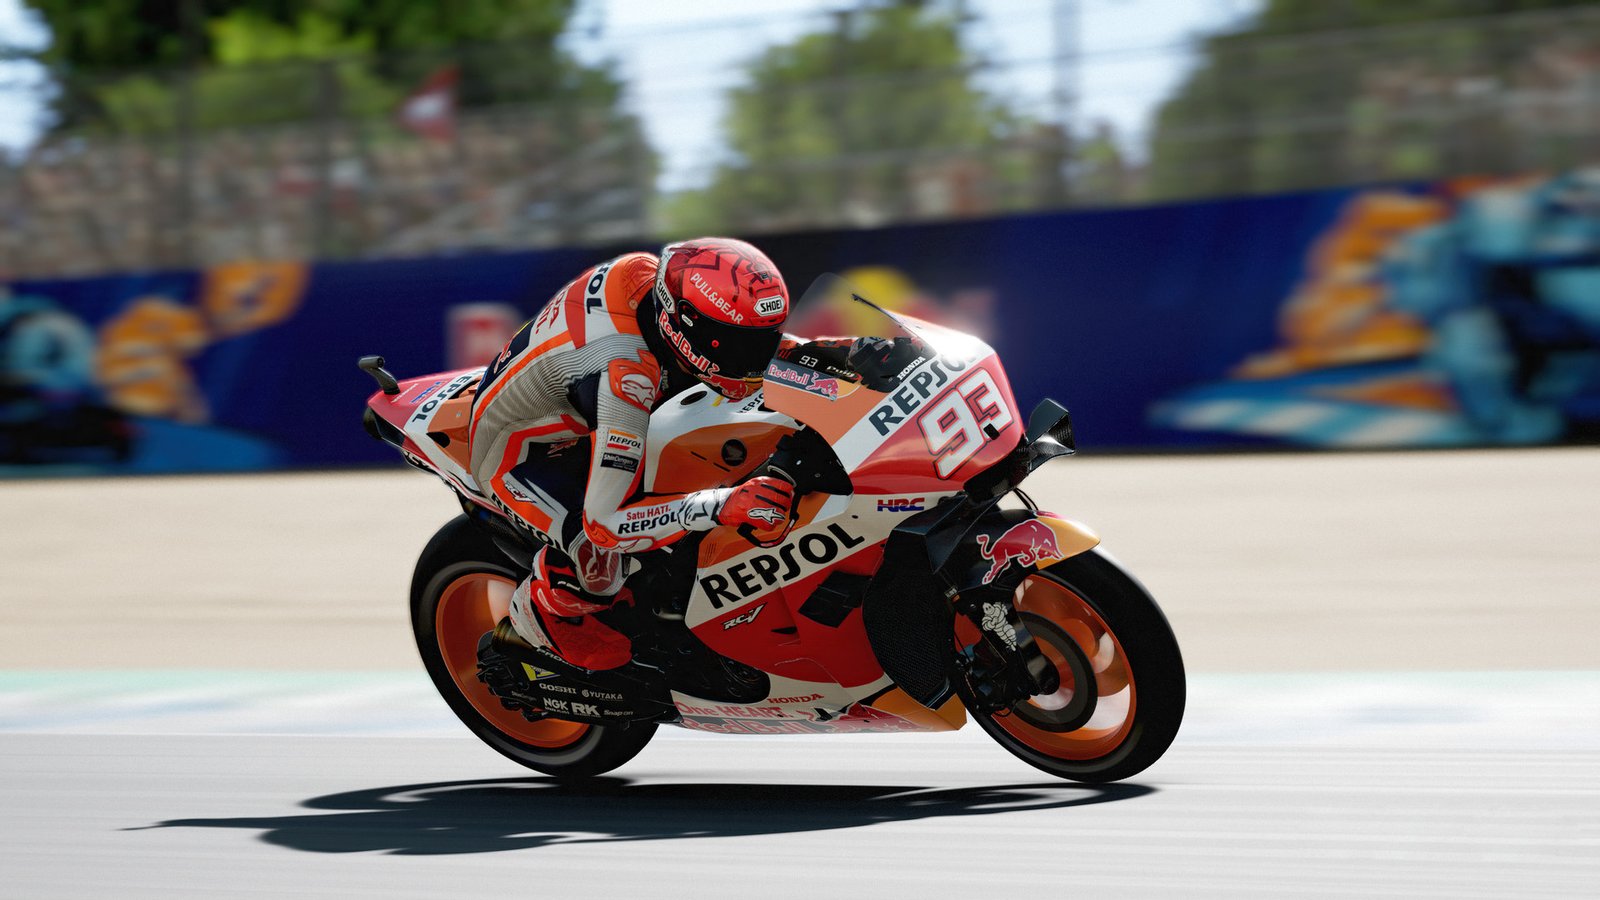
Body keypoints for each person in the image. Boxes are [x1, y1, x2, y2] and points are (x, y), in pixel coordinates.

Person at [468, 238, 799, 671]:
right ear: (683, 323)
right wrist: (723, 505)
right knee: (600, 562)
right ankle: (537, 618)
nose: (756, 362)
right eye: (737, 346)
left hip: (578, 402)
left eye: (763, 341)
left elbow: (765, 344)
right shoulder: (627, 377)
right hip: (521, 453)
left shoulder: (660, 279)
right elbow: (606, 524)